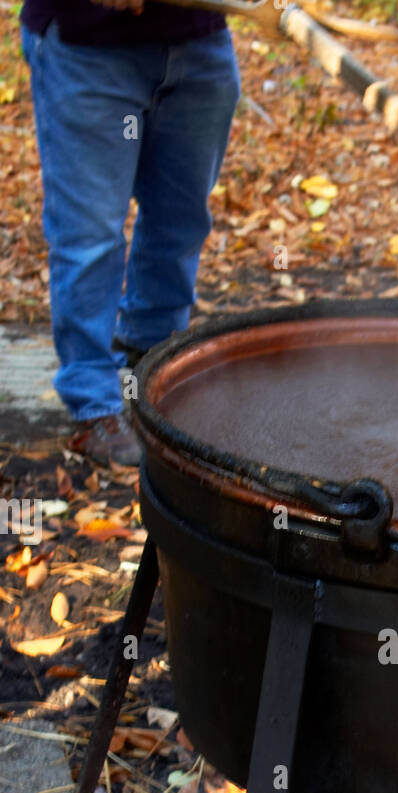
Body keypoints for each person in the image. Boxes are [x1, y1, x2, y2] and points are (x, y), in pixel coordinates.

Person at [20, 0, 241, 464]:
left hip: (200, 41)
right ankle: (93, 403)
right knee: (91, 239)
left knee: (180, 219)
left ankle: (150, 354)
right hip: (88, 48)